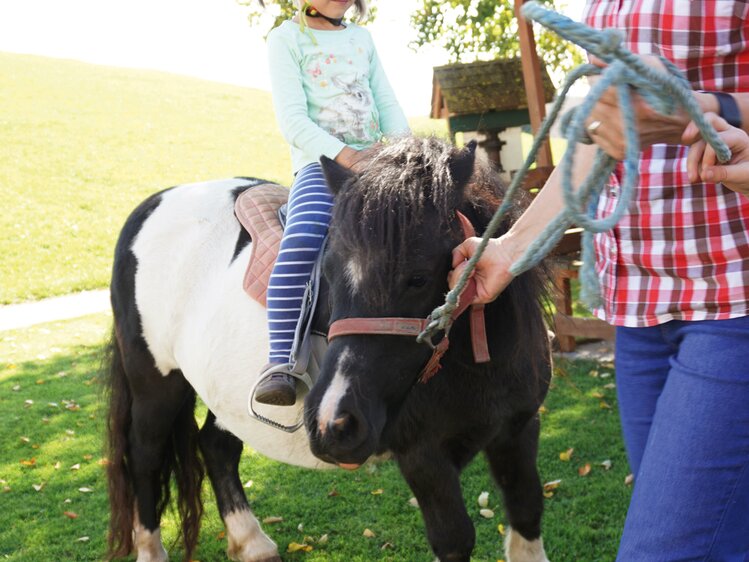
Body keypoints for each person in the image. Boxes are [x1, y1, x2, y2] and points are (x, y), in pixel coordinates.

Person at [451, 2, 749, 559]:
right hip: (639, 309)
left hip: (733, 299)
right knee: (722, 538)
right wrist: (510, 249)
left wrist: (703, 107)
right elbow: (604, 138)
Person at [253, 0, 409, 406]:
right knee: (304, 238)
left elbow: (386, 103)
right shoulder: (286, 39)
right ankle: (282, 361)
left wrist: (402, 150)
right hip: (320, 166)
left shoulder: (362, 38)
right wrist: (345, 157)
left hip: (379, 162)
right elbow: (293, 120)